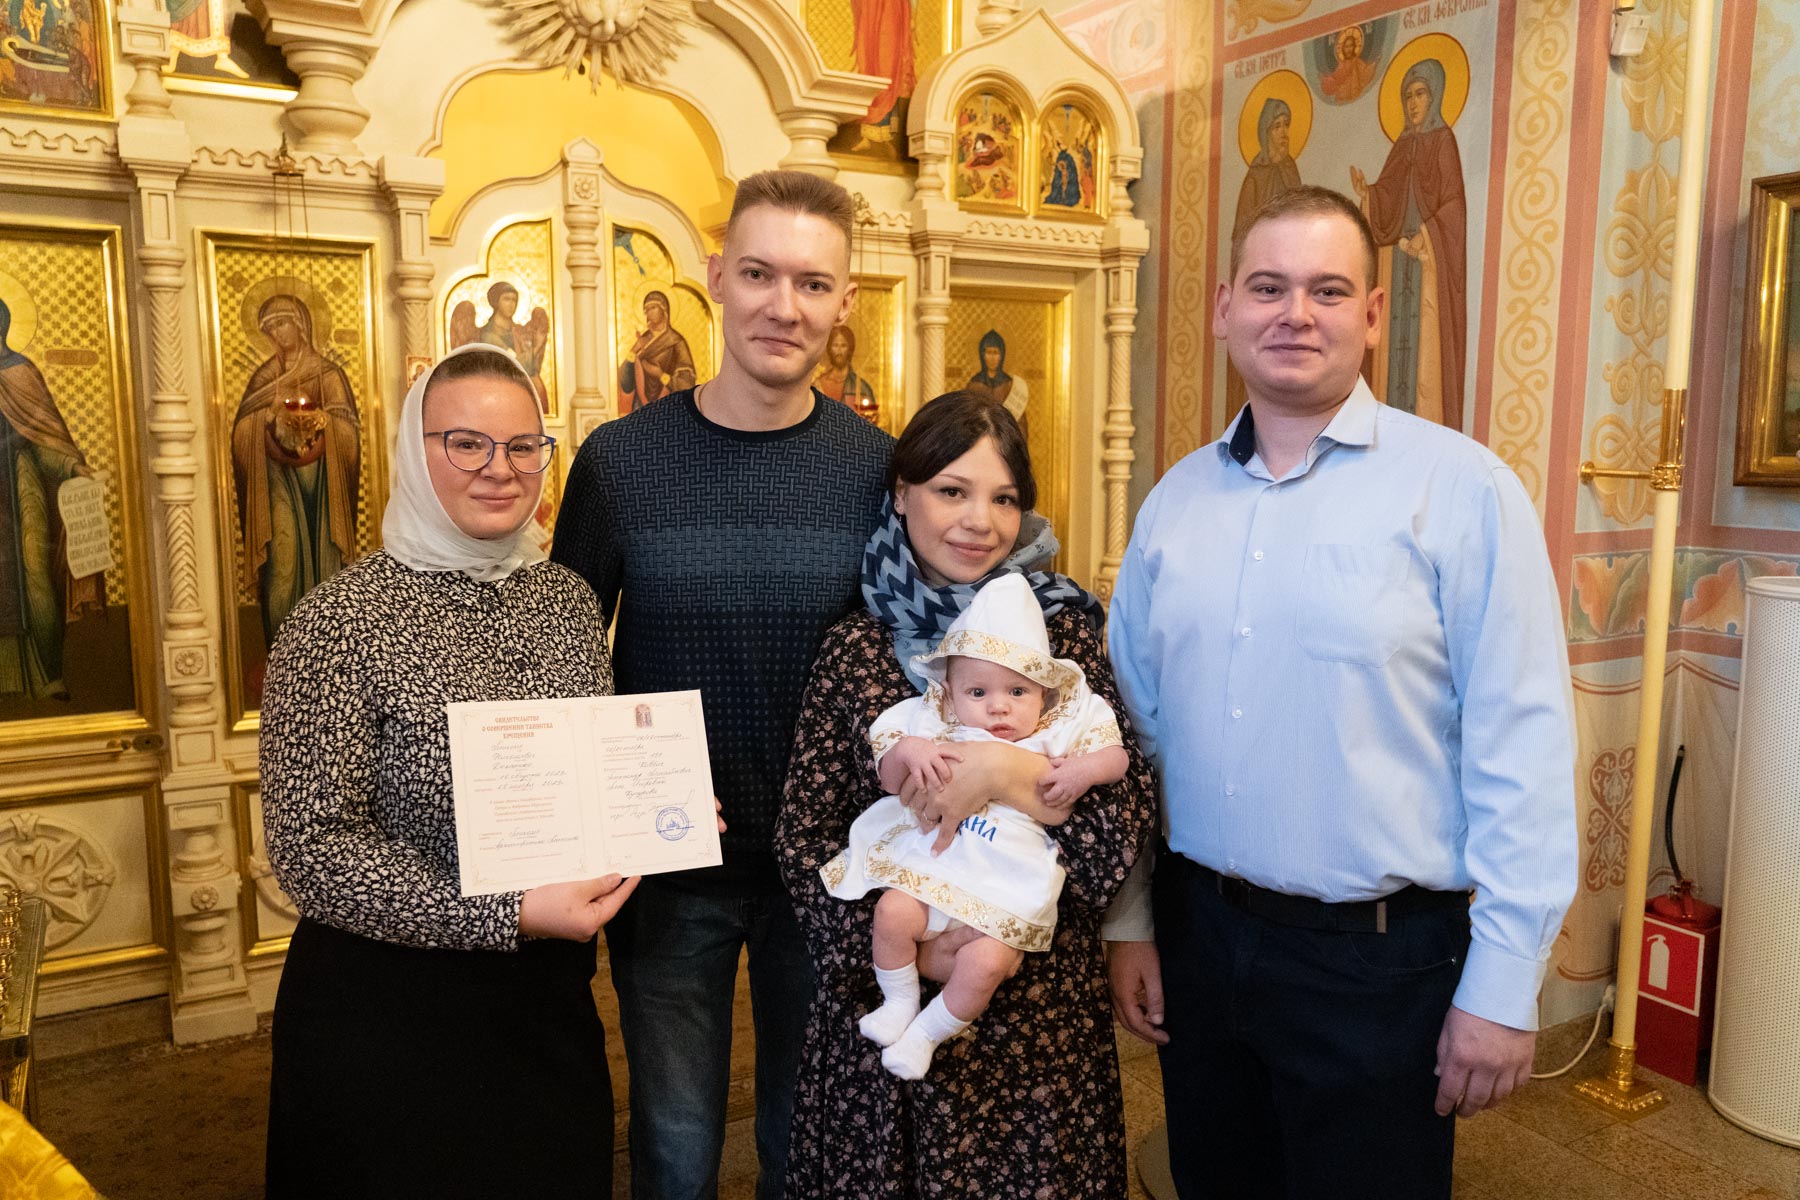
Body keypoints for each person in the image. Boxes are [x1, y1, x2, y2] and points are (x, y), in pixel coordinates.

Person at [1103, 186, 1577, 1199]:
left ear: (1370, 314)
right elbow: (1136, 734)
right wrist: (1132, 921)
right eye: (1268, 287)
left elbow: (1522, 744)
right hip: (1199, 938)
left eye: (1327, 291)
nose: (1295, 314)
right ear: (1225, 306)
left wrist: (1503, 985)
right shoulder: (1175, 501)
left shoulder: (1461, 490)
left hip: (1378, 965)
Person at [552, 169, 893, 1200]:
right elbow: (564, 658)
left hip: (829, 868)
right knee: (674, 1140)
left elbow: (910, 658)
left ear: (843, 300)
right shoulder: (620, 462)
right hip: (668, 872)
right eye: (758, 274)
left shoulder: (878, 470)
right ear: (714, 278)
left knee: (807, 1138)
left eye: (812, 283)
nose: (784, 306)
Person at [261, 343, 638, 1197]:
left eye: (523, 446)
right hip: (388, 1015)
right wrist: (504, 912)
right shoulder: (337, 620)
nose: (499, 469)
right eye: (466, 443)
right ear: (412, 448)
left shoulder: (567, 603)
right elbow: (313, 849)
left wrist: (648, 804)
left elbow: (583, 768)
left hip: (542, 1006)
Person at [778, 391, 1156, 1197]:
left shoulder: (1064, 640)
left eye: (1005, 498)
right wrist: (902, 949)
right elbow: (805, 833)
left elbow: (1119, 821)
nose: (980, 521)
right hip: (883, 1014)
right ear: (902, 493)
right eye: (952, 490)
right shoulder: (857, 648)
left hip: (1032, 1019)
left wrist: (999, 775)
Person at [822, 572, 1129, 1079]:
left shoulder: (1056, 731)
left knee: (985, 964)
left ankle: (925, 1034)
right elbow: (888, 774)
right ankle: (899, 1002)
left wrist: (1083, 770)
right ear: (949, 692)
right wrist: (909, 751)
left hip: (1005, 882)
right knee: (893, 913)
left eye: (1017, 690)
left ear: (1046, 693)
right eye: (978, 691)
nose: (998, 706)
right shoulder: (934, 723)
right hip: (931, 870)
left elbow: (1117, 758)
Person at [230, 293, 360, 646]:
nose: (277, 333)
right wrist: (265, 419)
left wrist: (322, 426)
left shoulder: (327, 373)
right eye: (270, 328)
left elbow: (348, 431)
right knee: (282, 565)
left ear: (301, 325)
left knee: (327, 567)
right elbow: (241, 432)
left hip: (324, 490)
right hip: (277, 485)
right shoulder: (264, 377)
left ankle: (331, 648)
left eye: (282, 323)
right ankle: (282, 648)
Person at [1350, 57, 1468, 430]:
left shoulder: (1443, 141)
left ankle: (1425, 428)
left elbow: (1454, 204)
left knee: (1423, 349)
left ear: (1435, 96)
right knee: (1390, 347)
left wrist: (1427, 233)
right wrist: (1368, 196)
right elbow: (1388, 195)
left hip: (1426, 262)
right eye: (1408, 96)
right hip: (1395, 264)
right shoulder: (1402, 145)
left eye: (1420, 94)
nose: (1413, 103)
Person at [0, 298, 104, 699]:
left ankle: (47, 675)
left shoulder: (20, 373)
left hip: (21, 489)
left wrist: (72, 466)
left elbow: (45, 440)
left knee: (35, 576)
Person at [617, 289, 697, 412]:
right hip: (640, 409)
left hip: (668, 407)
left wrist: (660, 375)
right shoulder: (643, 340)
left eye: (653, 308)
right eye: (646, 310)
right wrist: (633, 351)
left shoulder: (676, 341)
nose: (649, 313)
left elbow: (687, 384)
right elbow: (625, 384)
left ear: (664, 309)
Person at [813, 323, 877, 419]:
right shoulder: (818, 384)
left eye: (843, 346)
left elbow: (870, 419)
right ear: (829, 349)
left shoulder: (862, 387)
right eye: (835, 345)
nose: (839, 350)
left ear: (850, 350)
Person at [966, 328, 1028, 422]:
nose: (992, 358)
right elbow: (967, 417)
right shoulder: (974, 385)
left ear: (1002, 355)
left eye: (996, 353)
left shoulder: (1010, 385)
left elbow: (1019, 421)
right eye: (989, 352)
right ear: (982, 355)